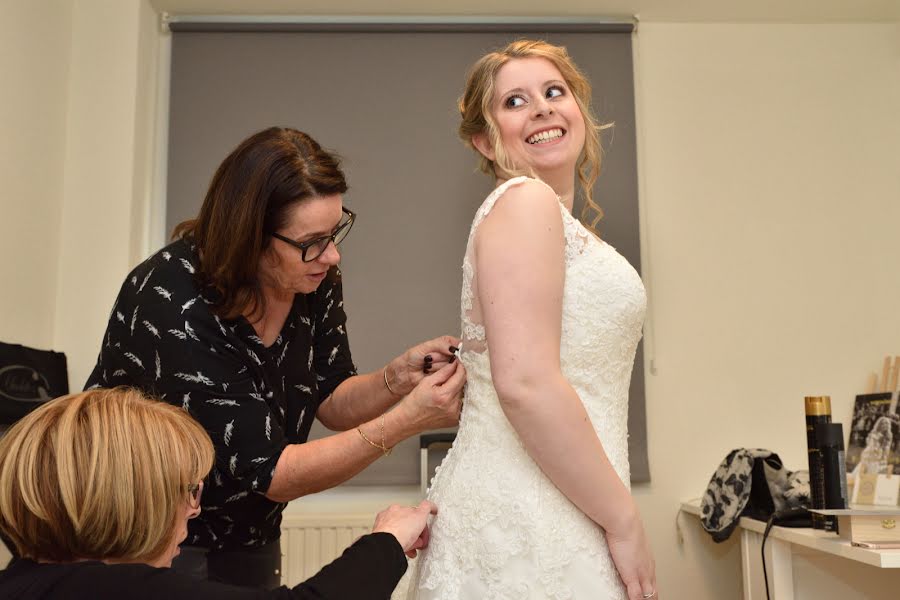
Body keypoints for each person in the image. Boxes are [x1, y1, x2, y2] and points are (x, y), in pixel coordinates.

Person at [85, 127, 465, 589]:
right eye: (313, 241)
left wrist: (396, 378)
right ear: (250, 237)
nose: (332, 255)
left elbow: (329, 398)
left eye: (335, 231)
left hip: (250, 532)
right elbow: (272, 472)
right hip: (146, 534)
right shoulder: (174, 303)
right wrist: (409, 420)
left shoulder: (312, 279)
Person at [406, 40, 657, 599]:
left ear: (579, 112)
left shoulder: (556, 223)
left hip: (563, 497)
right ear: (483, 139)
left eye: (553, 92)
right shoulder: (525, 202)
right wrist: (624, 520)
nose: (542, 108)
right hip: (531, 508)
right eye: (515, 102)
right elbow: (524, 384)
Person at [0, 387, 436, 599]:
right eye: (189, 490)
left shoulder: (24, 580)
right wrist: (387, 540)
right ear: (128, 498)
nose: (195, 509)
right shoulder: (108, 588)